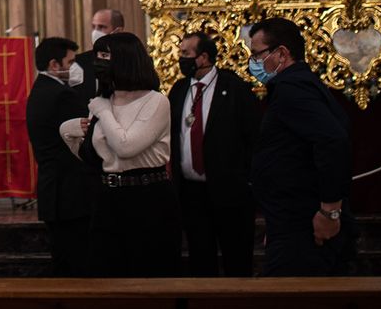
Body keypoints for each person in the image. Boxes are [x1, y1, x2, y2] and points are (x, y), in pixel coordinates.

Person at [59, 31, 178, 276]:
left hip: (147, 197)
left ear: (125, 59)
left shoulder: (155, 101)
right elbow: (98, 156)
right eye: (98, 55)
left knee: (148, 274)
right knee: (105, 273)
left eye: (105, 55)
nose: (98, 62)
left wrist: (103, 113)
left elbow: (126, 147)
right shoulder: (104, 100)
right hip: (109, 196)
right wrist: (67, 130)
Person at [247, 16, 354, 276]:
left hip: (304, 229)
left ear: (281, 53)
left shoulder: (292, 89)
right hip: (290, 223)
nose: (253, 64)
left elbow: (332, 140)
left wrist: (329, 213)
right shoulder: (298, 84)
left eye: (257, 55)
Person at [168, 31, 260, 276]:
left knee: (236, 258)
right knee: (200, 260)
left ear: (204, 57)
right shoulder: (178, 90)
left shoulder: (235, 88)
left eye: (186, 53)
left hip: (230, 191)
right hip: (191, 193)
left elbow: (252, 137)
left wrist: (246, 179)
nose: (181, 58)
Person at [24, 35, 94, 276]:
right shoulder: (60, 95)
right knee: (76, 263)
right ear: (55, 65)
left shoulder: (41, 89)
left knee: (64, 259)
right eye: (71, 61)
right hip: (69, 192)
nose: (74, 67)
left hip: (54, 190)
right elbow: (85, 134)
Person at [73, 8, 125, 93]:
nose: (95, 32)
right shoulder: (79, 62)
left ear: (118, 31)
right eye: (94, 27)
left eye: (101, 27)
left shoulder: (131, 61)